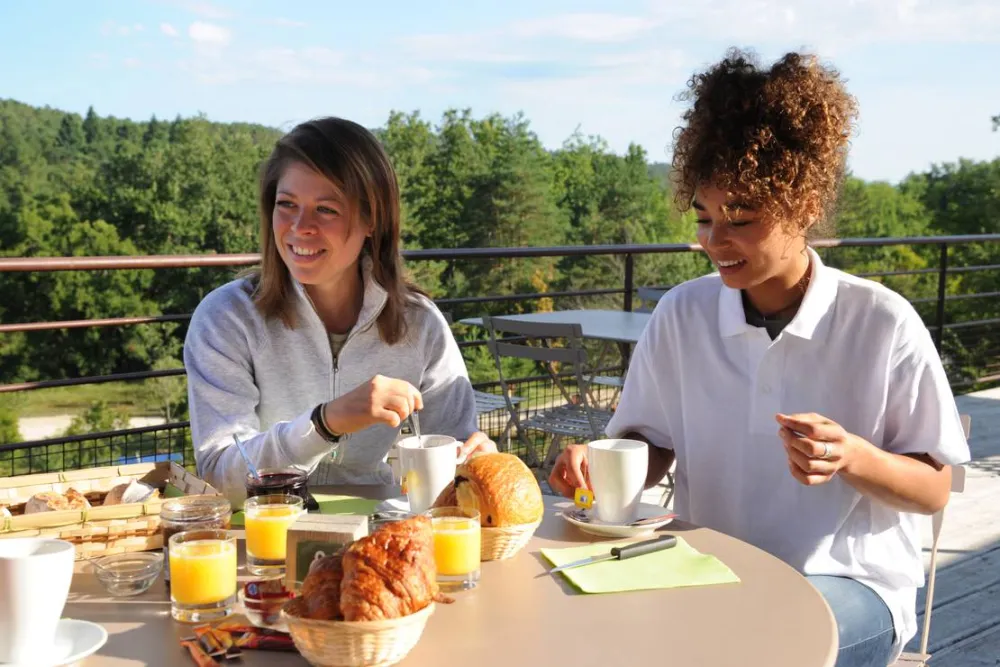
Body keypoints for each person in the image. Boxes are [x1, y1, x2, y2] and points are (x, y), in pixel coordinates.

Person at [549, 49, 970, 667]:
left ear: (804, 205)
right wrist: (606, 463)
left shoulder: (881, 322)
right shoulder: (682, 314)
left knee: (750, 648)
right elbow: (650, 439)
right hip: (705, 570)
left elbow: (934, 489)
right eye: (703, 218)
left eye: (740, 219)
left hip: (849, 582)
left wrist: (851, 456)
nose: (714, 241)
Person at [184, 116, 495, 497]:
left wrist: (475, 461)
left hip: (381, 525)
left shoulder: (420, 324)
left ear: (372, 220)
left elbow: (454, 452)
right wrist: (324, 424)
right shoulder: (226, 317)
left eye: (326, 209)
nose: (300, 226)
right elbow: (221, 476)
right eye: (287, 204)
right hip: (268, 526)